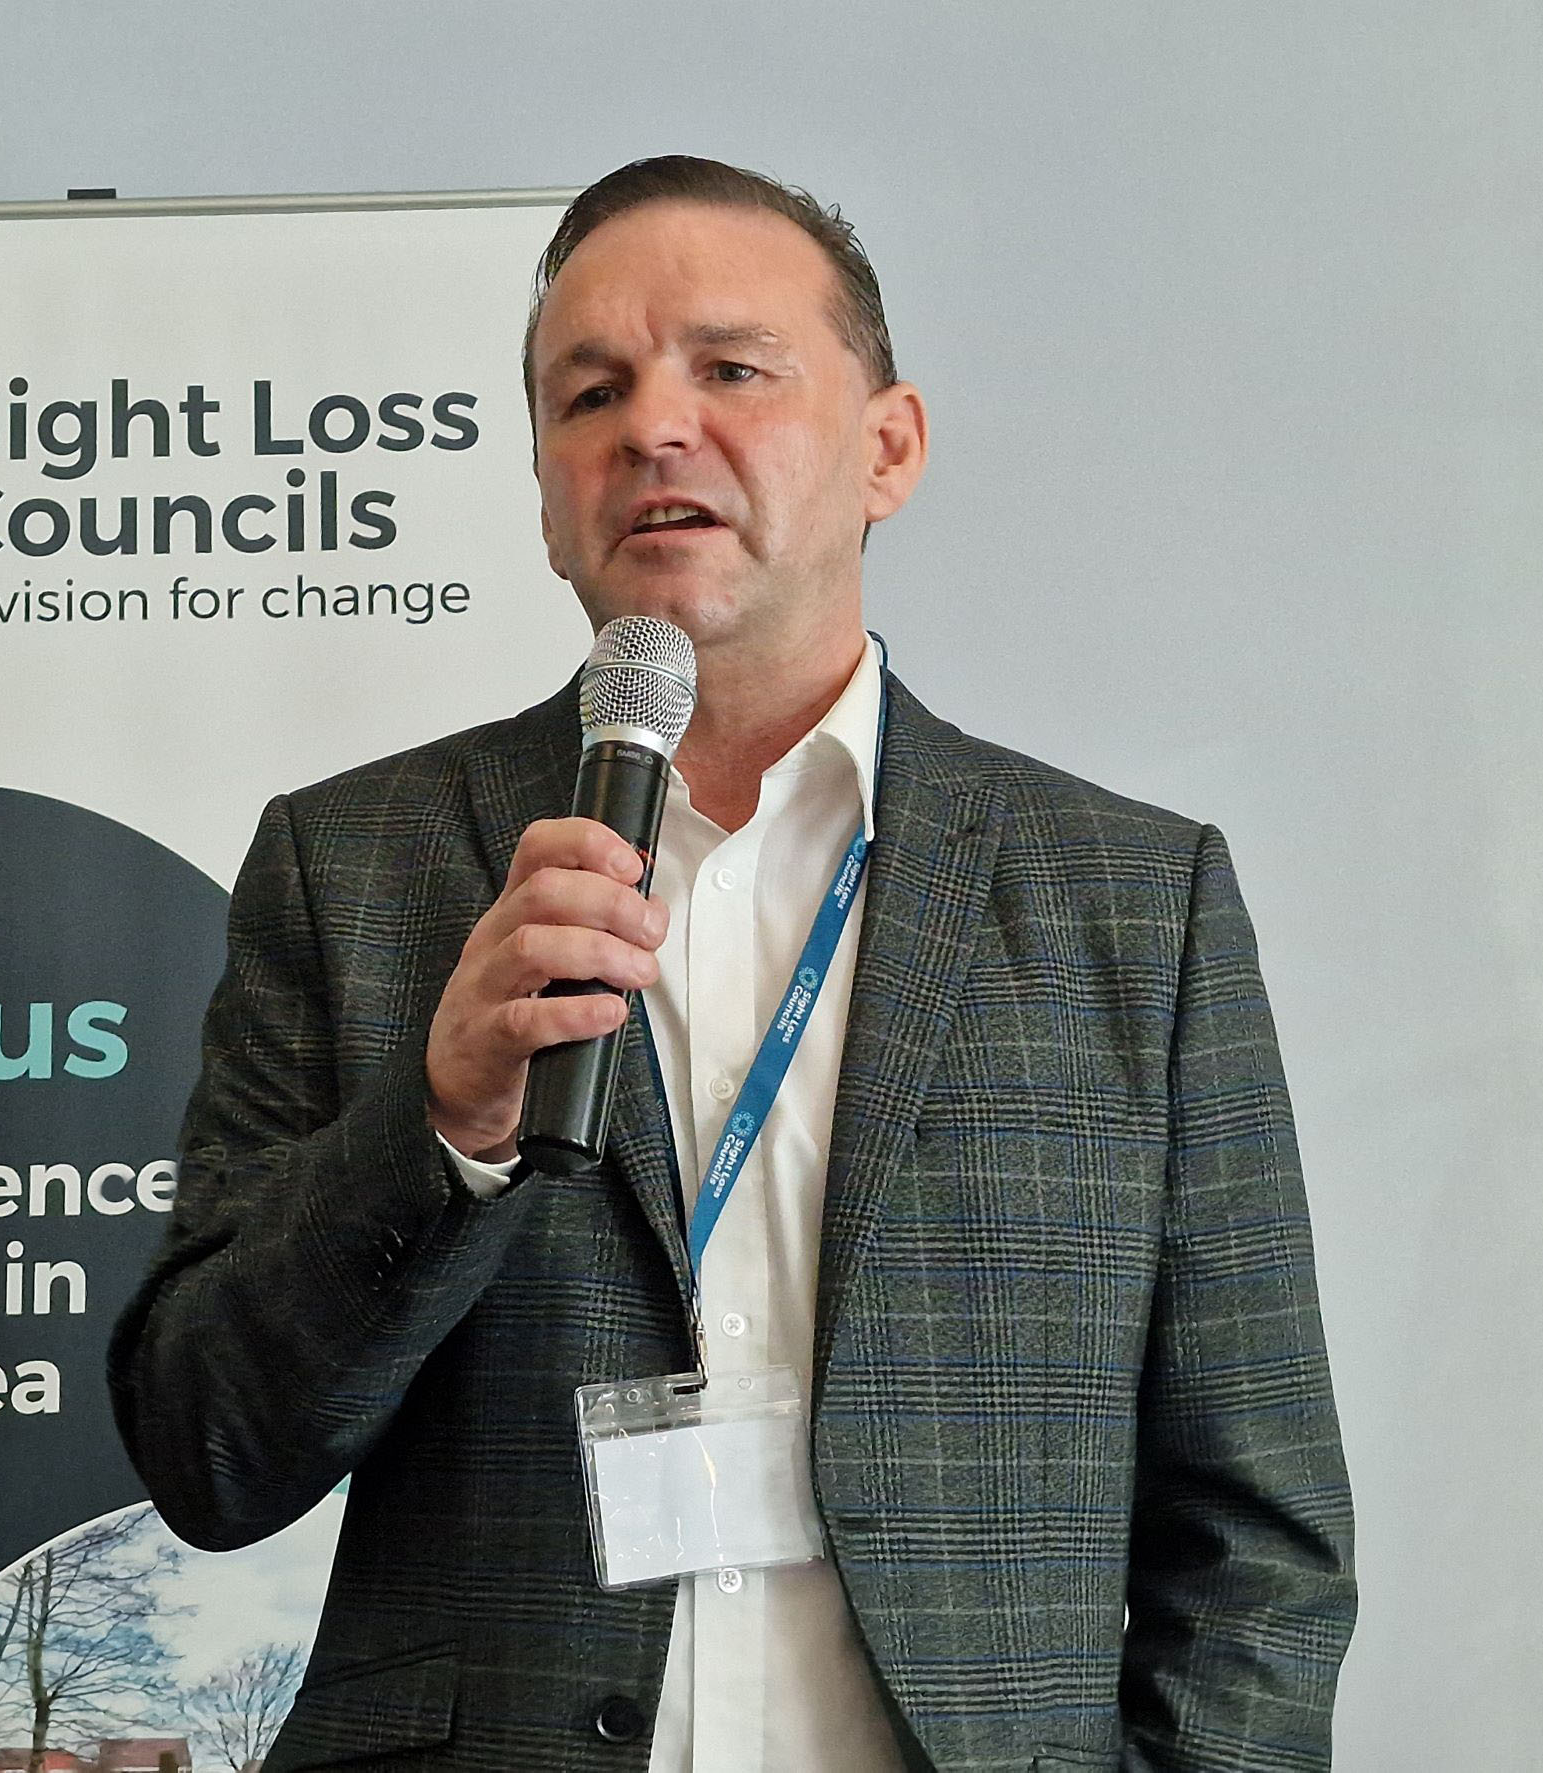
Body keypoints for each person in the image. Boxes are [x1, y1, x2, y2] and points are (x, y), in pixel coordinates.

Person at [110, 155, 1355, 1773]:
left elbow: (1258, 1543)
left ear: (887, 446)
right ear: (548, 488)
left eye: (732, 368)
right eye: (591, 391)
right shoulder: (350, 865)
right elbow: (208, 1452)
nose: (653, 427)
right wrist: (441, 1127)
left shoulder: (1136, 900)